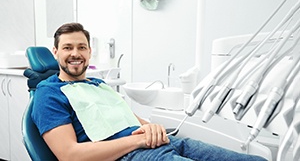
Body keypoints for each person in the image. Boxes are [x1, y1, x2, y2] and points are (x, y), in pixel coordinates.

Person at [32, 22, 267, 161]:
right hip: (130, 155)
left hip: (162, 142)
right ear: (55, 52)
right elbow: (69, 155)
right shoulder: (48, 93)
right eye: (67, 48)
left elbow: (134, 122)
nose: (75, 53)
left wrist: (151, 128)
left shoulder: (99, 85)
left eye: (81, 47)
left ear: (90, 52)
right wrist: (138, 142)